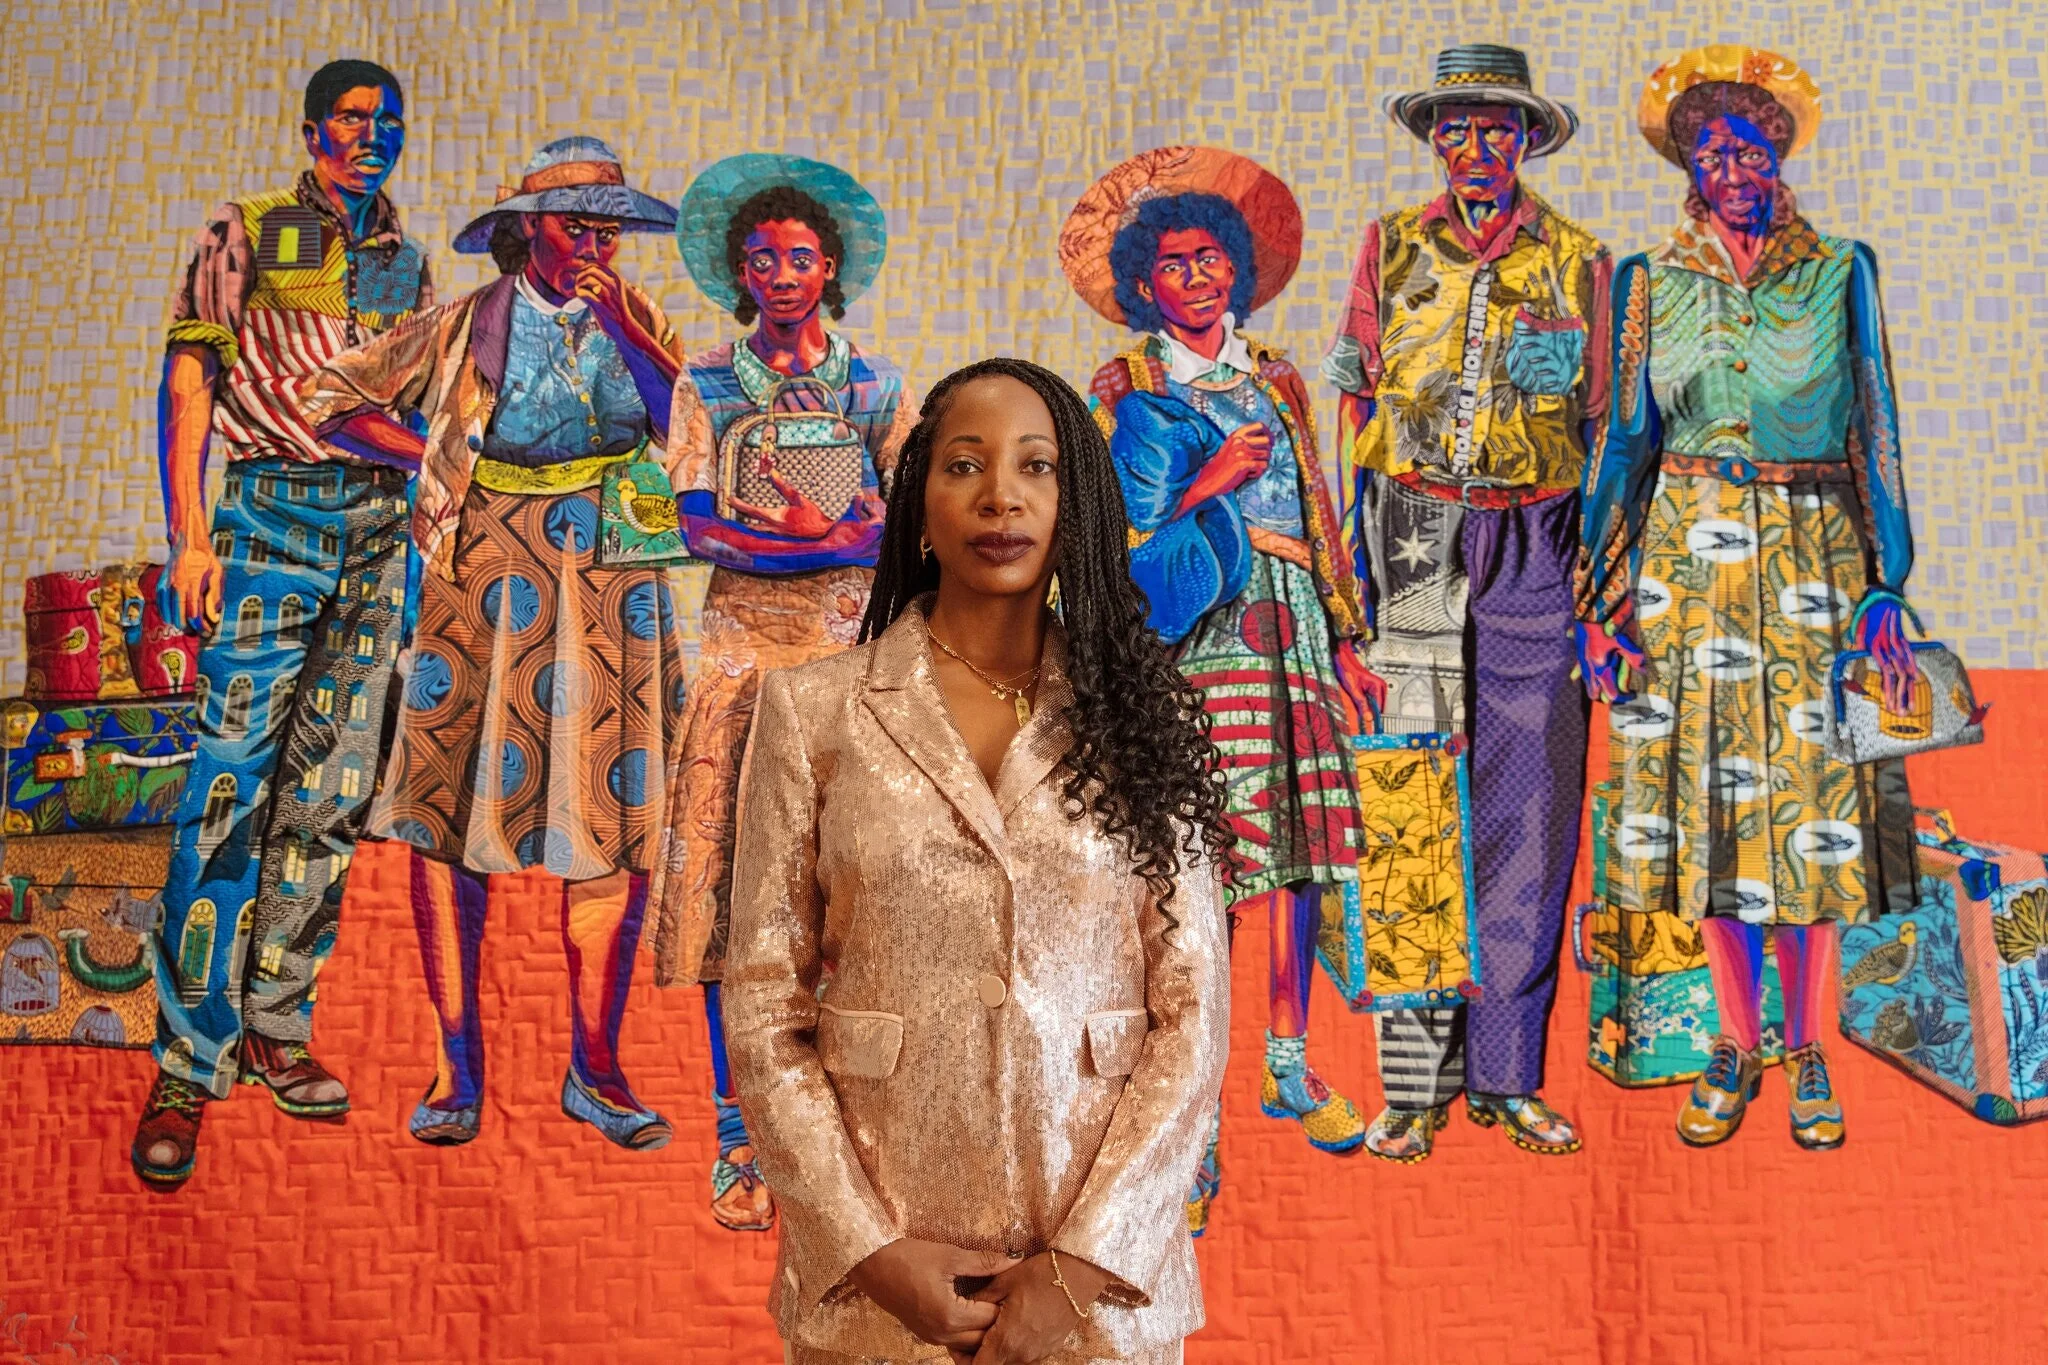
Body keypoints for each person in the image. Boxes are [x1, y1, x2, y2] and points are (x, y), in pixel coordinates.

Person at [723, 358, 1230, 1365]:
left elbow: (1192, 1015)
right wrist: (868, 1250)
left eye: (1035, 467)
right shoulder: (814, 712)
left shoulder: (1138, 713)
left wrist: (1081, 1268)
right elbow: (762, 1004)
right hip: (883, 1288)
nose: (1000, 495)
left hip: (1100, 1297)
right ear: (917, 505)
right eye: (964, 465)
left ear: (1075, 507)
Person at [293, 136, 688, 1150]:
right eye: (573, 224)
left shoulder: (637, 318)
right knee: (450, 817)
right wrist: (431, 450)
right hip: (484, 574)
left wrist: (620, 327)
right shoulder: (467, 320)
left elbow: (683, 427)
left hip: (610, 578)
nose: (593, 243)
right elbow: (332, 401)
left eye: (607, 227)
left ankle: (594, 1067)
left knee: (611, 821)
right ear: (526, 231)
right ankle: (453, 1064)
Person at [1578, 47, 1920, 1150]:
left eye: (1748, 142)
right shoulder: (1646, 281)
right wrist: (1599, 599)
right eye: (1707, 146)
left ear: (1777, 153)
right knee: (1715, 823)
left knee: (1810, 821)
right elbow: (1624, 443)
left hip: (1816, 563)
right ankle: (1733, 1043)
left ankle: (1806, 1046)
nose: (1730, 162)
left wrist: (1884, 586)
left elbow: (1875, 429)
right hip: (1683, 572)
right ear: (1686, 165)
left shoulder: (1839, 271)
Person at [1059, 146, 1377, 1232]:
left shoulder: (1278, 376)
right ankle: (1192, 1125)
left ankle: (1286, 1064)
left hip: (1287, 632)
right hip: (1193, 644)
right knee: (1196, 876)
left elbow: (1322, 512)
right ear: (1144, 285)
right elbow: (1111, 537)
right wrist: (1212, 480)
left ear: (1238, 275)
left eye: (1211, 263)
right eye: (1174, 266)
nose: (1195, 281)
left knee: (1288, 865)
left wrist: (1342, 640)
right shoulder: (1126, 389)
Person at [135, 58, 431, 1190]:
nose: (372, 136)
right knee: (228, 790)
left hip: (376, 530)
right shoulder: (246, 228)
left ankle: (275, 1024)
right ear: (314, 132)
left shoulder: (405, 260)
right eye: (354, 120)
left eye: (388, 122)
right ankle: (186, 1059)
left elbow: (402, 407)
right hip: (267, 518)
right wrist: (189, 535)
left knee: (330, 791)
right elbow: (190, 379)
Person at [1321, 43, 1611, 1161]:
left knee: (1526, 813)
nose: (1475, 147)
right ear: (1432, 139)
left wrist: (1596, 581)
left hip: (1536, 539)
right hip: (1410, 534)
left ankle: (1506, 1076)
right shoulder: (1390, 247)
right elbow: (1351, 417)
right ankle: (1412, 1087)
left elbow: (1602, 426)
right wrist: (1352, 581)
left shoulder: (1582, 260)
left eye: (1496, 127)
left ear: (1527, 138)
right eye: (1455, 127)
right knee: (1407, 805)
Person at [649, 153, 915, 1232]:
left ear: (831, 268)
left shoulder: (880, 386)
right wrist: (797, 539)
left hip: (851, 658)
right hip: (743, 662)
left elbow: (906, 521)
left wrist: (837, 538)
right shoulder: (705, 382)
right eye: (761, 258)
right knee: (735, 902)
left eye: (800, 256)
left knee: (857, 897)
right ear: (738, 273)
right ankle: (735, 1137)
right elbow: (692, 520)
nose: (781, 273)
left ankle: (858, 1137)